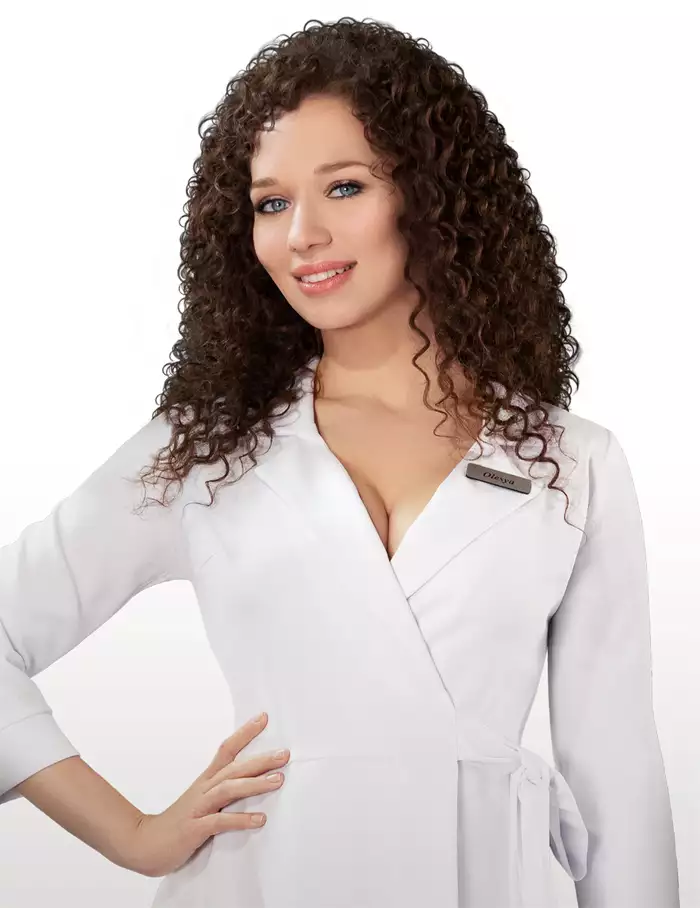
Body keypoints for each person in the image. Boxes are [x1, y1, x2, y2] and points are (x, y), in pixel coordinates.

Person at [0, 16, 680, 908]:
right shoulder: (209, 449)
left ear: (430, 197)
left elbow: (616, 780)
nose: (302, 235)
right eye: (270, 203)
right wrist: (131, 836)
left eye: (345, 187)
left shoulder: (568, 462)